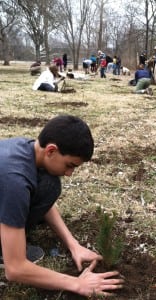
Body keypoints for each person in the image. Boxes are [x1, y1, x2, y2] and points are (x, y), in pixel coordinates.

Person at [0, 114, 124, 297]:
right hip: (10, 189)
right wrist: (77, 283)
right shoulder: (15, 181)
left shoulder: (27, 148)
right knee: (44, 185)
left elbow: (45, 203)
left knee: (49, 185)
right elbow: (15, 269)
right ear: (51, 150)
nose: (69, 174)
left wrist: (73, 244)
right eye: (69, 165)